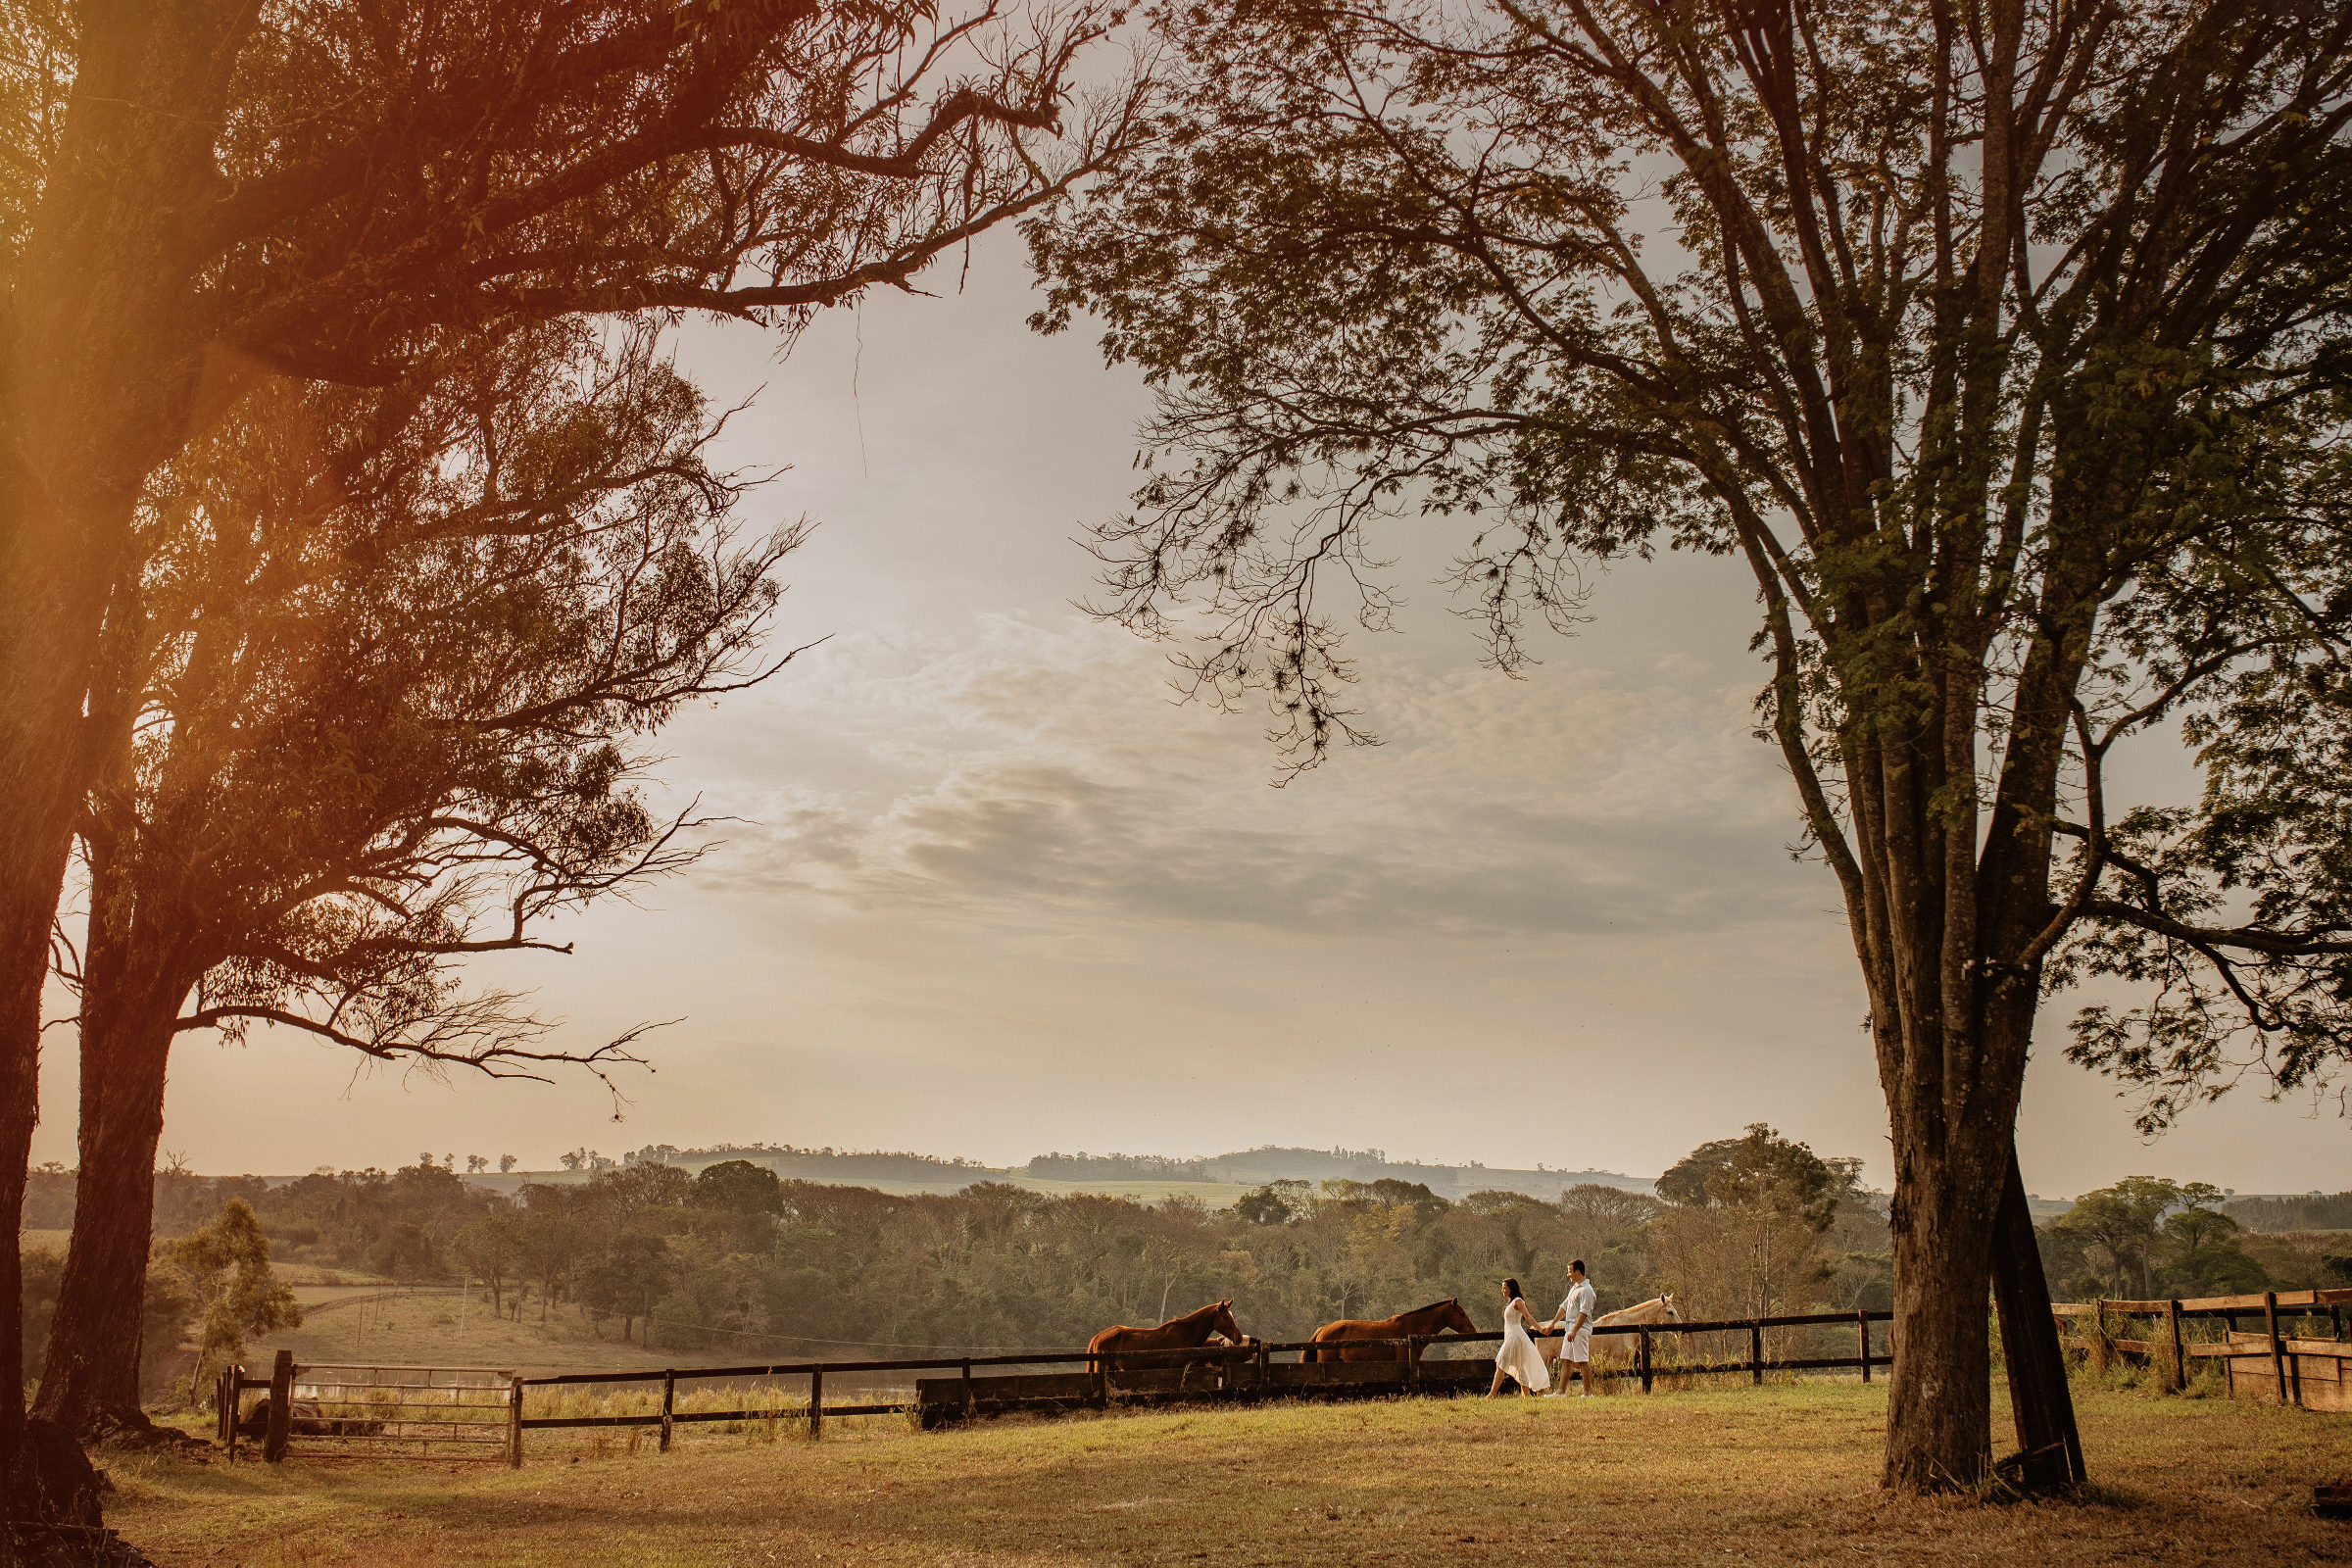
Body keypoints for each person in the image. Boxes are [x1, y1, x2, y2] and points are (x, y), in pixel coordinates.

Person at [1487, 1278, 1549, 1396]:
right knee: (1519, 1364)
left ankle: (1492, 1393)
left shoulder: (1518, 1301)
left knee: (1501, 1363)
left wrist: (1540, 1329)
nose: (1503, 1290)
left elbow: (1527, 1316)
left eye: (1505, 1288)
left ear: (1512, 1288)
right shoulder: (1511, 1302)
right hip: (1511, 1335)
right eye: (1503, 1288)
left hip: (1515, 1336)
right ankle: (1526, 1394)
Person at [1543, 1259, 1596, 1396]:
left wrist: (1574, 1330)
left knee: (1582, 1360)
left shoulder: (1586, 1291)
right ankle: (1561, 1391)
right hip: (1570, 1328)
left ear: (1577, 1272)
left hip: (1580, 1329)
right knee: (1565, 1359)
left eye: (1570, 1272)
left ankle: (1588, 1393)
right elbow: (1564, 1307)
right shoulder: (1575, 1288)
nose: (1568, 1275)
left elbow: (1583, 1313)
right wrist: (1553, 1323)